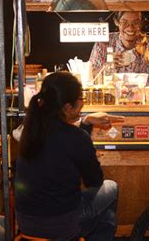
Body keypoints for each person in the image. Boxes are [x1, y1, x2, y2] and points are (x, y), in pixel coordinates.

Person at [15, 72, 125, 240]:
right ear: (67, 107)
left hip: (25, 223)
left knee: (105, 217)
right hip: (61, 226)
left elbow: (63, 143)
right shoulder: (76, 137)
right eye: (81, 99)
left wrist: (86, 122)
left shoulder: (30, 130)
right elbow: (94, 181)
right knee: (111, 188)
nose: (82, 103)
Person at [89, 11, 149, 86]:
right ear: (117, 22)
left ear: (141, 23)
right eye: (124, 22)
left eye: (135, 23)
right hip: (110, 96)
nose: (130, 27)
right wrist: (107, 66)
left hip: (141, 96)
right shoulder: (103, 42)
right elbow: (90, 77)